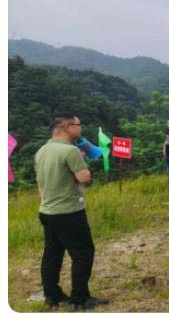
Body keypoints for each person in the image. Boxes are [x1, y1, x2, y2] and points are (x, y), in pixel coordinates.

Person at [35, 112, 109, 310]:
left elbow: (40, 182)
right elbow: (84, 178)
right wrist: (83, 161)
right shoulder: (70, 151)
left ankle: (52, 295)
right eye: (78, 124)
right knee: (83, 253)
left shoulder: (42, 150)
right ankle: (80, 298)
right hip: (69, 212)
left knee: (52, 253)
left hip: (47, 211)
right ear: (67, 127)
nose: (81, 128)